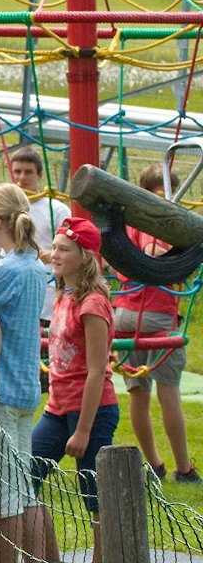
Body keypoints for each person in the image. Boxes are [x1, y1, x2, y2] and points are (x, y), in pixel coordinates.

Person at [30, 217, 117, 563]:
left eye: (64, 250)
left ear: (84, 257)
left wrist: (83, 429)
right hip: (57, 408)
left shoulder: (93, 303)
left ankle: (104, 557)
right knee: (26, 475)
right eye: (56, 247)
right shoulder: (64, 294)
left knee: (94, 495)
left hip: (90, 410)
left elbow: (97, 370)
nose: (55, 254)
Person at [114, 164, 200, 484]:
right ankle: (184, 469)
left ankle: (153, 464)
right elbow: (155, 254)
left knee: (138, 392)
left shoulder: (128, 223)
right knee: (169, 392)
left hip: (123, 311)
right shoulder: (159, 222)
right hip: (156, 315)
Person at [0, 183, 47, 563]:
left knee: (5, 495)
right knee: (25, 491)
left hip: (1, 391)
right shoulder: (36, 267)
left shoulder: (4, 271)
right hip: (27, 389)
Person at [10, 146, 71, 325]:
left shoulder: (57, 209)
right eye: (17, 172)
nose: (22, 177)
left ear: (39, 175)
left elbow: (73, 249)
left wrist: (50, 254)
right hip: (15, 296)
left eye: (28, 172)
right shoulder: (8, 209)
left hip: (48, 298)